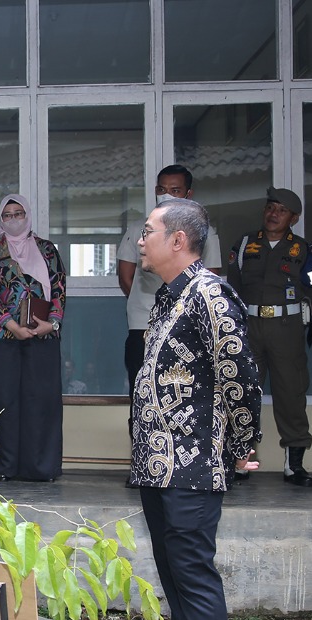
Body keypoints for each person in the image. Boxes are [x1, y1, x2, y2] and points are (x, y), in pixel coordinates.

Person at [126, 198, 261, 620]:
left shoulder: (211, 294)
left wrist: (244, 445)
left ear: (178, 240)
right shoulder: (168, 295)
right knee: (176, 576)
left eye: (148, 232)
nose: (141, 240)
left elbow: (239, 375)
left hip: (192, 464)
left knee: (196, 580)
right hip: (158, 463)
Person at [117, 165, 221, 483]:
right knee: (143, 394)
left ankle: (184, 465)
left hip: (187, 329)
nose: (166, 194)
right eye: (162, 188)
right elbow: (126, 277)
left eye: (174, 190)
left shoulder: (205, 234)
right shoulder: (139, 229)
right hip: (143, 325)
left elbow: (212, 278)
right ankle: (144, 462)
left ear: (188, 195)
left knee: (185, 394)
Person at [224, 188, 312, 488]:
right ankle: (240, 461)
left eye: (281, 210)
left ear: (293, 218)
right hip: (249, 328)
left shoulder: (303, 249)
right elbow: (233, 286)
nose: (273, 214)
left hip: (286, 328)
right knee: (242, 392)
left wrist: (302, 318)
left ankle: (294, 465)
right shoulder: (245, 244)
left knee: (291, 393)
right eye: (270, 207)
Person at [0, 193, 66, 482]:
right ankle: (0, 466)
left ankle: (40, 467)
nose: (13, 219)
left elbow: (59, 287)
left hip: (42, 337)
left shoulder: (47, 250)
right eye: (7, 215)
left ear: (28, 215)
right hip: (2, 337)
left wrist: (53, 323)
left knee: (40, 402)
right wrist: (11, 324)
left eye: (18, 213)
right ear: (1, 219)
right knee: (2, 401)